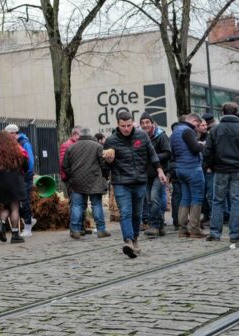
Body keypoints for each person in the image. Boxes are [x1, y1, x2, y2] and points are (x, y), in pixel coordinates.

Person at [103, 110, 167, 258]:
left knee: (137, 213)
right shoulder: (111, 141)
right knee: (125, 212)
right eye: (123, 125)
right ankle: (128, 241)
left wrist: (160, 170)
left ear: (132, 123)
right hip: (121, 182)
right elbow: (104, 166)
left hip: (139, 181)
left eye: (129, 125)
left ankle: (135, 238)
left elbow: (152, 154)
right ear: (118, 124)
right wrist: (108, 161)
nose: (126, 128)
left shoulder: (142, 136)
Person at [203, 102, 239, 243]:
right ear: (237, 112)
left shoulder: (214, 130)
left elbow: (208, 151)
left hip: (220, 170)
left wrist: (209, 166)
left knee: (217, 201)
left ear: (222, 112)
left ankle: (215, 233)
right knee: (237, 201)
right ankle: (234, 233)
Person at [63, 127, 110, 239]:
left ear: (79, 135)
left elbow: (65, 165)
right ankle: (101, 230)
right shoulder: (98, 146)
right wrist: (104, 176)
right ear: (91, 135)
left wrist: (71, 176)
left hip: (77, 181)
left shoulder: (71, 147)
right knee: (96, 205)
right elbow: (103, 165)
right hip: (95, 180)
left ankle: (75, 230)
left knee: (77, 206)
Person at [0, 131, 28, 244]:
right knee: (15, 208)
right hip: (15, 183)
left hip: (1, 184)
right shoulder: (16, 150)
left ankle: (1, 223)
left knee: (5, 206)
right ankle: (15, 235)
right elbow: (26, 165)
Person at [170, 113, 207, 238]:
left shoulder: (175, 132)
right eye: (197, 125)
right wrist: (202, 144)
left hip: (180, 169)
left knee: (185, 198)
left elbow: (173, 152)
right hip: (192, 168)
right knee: (197, 197)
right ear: (194, 121)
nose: (197, 128)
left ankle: (182, 229)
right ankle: (195, 228)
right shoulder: (188, 131)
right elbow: (195, 148)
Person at [140, 113, 172, 238]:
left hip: (160, 172)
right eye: (142, 123)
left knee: (154, 198)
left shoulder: (161, 135)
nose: (144, 125)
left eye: (147, 122)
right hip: (145, 173)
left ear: (152, 123)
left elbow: (168, 153)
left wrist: (153, 157)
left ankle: (154, 225)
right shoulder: (140, 136)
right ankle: (160, 225)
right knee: (149, 200)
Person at [5, 124, 37, 237]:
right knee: (18, 202)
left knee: (25, 201)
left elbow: (30, 162)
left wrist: (25, 175)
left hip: (25, 177)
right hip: (18, 177)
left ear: (13, 133)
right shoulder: (14, 144)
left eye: (8, 135)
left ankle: (28, 227)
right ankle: (30, 220)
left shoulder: (24, 143)